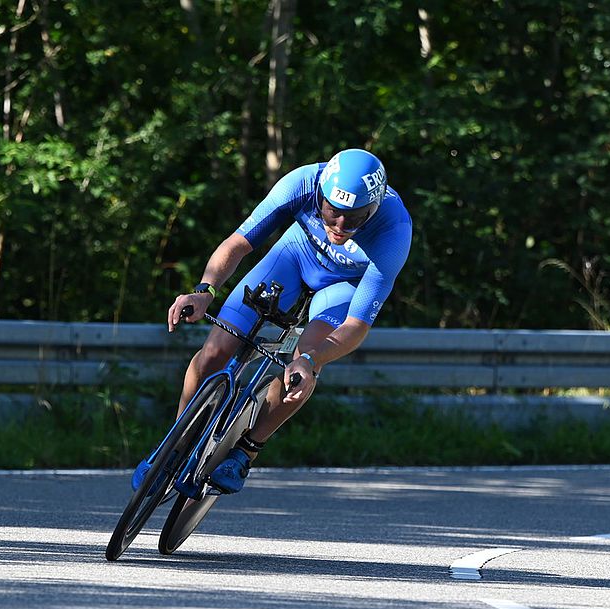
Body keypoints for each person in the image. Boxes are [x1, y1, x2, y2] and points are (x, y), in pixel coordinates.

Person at [134, 148, 413, 493]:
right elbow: (238, 243)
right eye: (332, 211)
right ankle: (173, 448)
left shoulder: (394, 230)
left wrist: (311, 361)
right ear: (321, 194)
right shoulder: (301, 183)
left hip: (343, 285)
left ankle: (246, 451)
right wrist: (205, 290)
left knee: (302, 367)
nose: (340, 226)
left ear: (374, 209)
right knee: (214, 351)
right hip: (294, 256)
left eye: (355, 218)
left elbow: (356, 326)